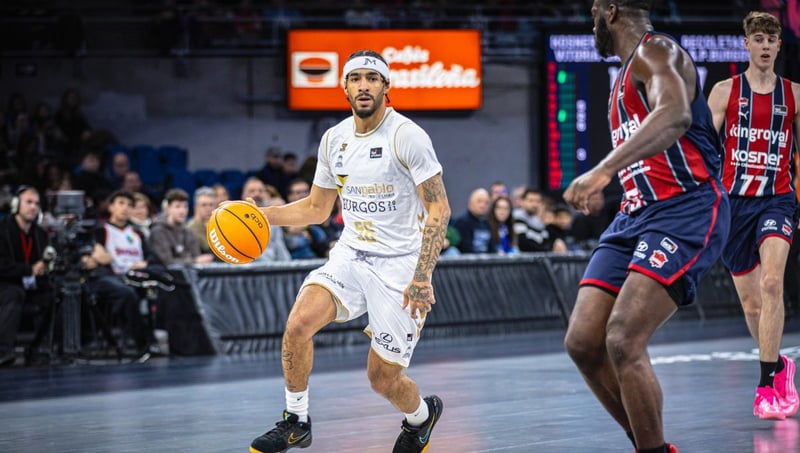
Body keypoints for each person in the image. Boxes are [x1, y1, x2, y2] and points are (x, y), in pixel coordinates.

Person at [245, 49, 450, 453]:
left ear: (386, 86)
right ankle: (296, 421)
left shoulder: (407, 136)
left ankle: (420, 417)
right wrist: (260, 215)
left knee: (382, 379)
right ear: (345, 87)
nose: (363, 86)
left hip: (400, 266)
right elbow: (316, 209)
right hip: (351, 255)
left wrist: (422, 277)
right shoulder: (334, 139)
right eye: (355, 78)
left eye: (372, 79)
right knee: (297, 325)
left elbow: (439, 208)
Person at [562, 2, 730, 452]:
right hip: (634, 216)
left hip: (685, 207)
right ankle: (648, 445)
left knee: (622, 338)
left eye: (593, 12)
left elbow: (675, 114)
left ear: (610, 11)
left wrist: (602, 171)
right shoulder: (622, 77)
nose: (591, 22)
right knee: (583, 342)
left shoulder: (657, 51)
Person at [706, 10, 800, 420]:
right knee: (752, 305)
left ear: (779, 46)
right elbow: (704, 148)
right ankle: (779, 366)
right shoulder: (724, 91)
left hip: (777, 199)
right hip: (734, 204)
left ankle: (764, 387)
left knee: (773, 282)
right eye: (757, 39)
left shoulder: (795, 94)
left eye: (770, 40)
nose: (764, 46)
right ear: (746, 45)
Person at [83, 190, 154, 355]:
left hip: (135, 275)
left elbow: (151, 257)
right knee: (126, 292)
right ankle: (140, 343)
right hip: (107, 277)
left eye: (129, 205)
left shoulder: (137, 233)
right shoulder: (101, 231)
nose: (125, 208)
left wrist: (145, 263)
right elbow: (96, 257)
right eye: (121, 203)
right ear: (111, 207)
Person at [0, 186, 52, 366]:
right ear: (16, 205)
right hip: (5, 283)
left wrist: (45, 268)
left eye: (36, 203)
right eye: (28, 202)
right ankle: (3, 351)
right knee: (14, 294)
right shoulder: (2, 230)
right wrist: (29, 269)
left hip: (30, 284)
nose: (33, 207)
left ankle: (40, 349)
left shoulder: (40, 234)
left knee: (54, 294)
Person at [149, 188, 215, 266]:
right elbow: (167, 262)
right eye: (178, 207)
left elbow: (196, 256)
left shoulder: (188, 232)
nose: (182, 211)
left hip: (186, 271)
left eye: (185, 207)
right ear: (168, 208)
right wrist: (194, 261)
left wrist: (195, 260)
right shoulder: (158, 231)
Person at [241, 177, 291, 262]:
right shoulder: (236, 219)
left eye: (261, 191)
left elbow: (280, 247)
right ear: (243, 196)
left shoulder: (271, 220)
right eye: (252, 191)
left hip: (271, 267)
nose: (257, 194)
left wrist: (288, 266)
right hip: (244, 266)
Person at [451, 187, 493, 254]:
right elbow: (465, 249)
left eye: (486, 203)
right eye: (479, 201)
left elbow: (492, 248)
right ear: (470, 203)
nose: (483, 205)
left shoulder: (487, 224)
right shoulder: (462, 222)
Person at [186, 186, 217, 256]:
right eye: (204, 205)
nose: (208, 209)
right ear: (196, 207)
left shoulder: (219, 227)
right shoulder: (190, 229)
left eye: (211, 205)